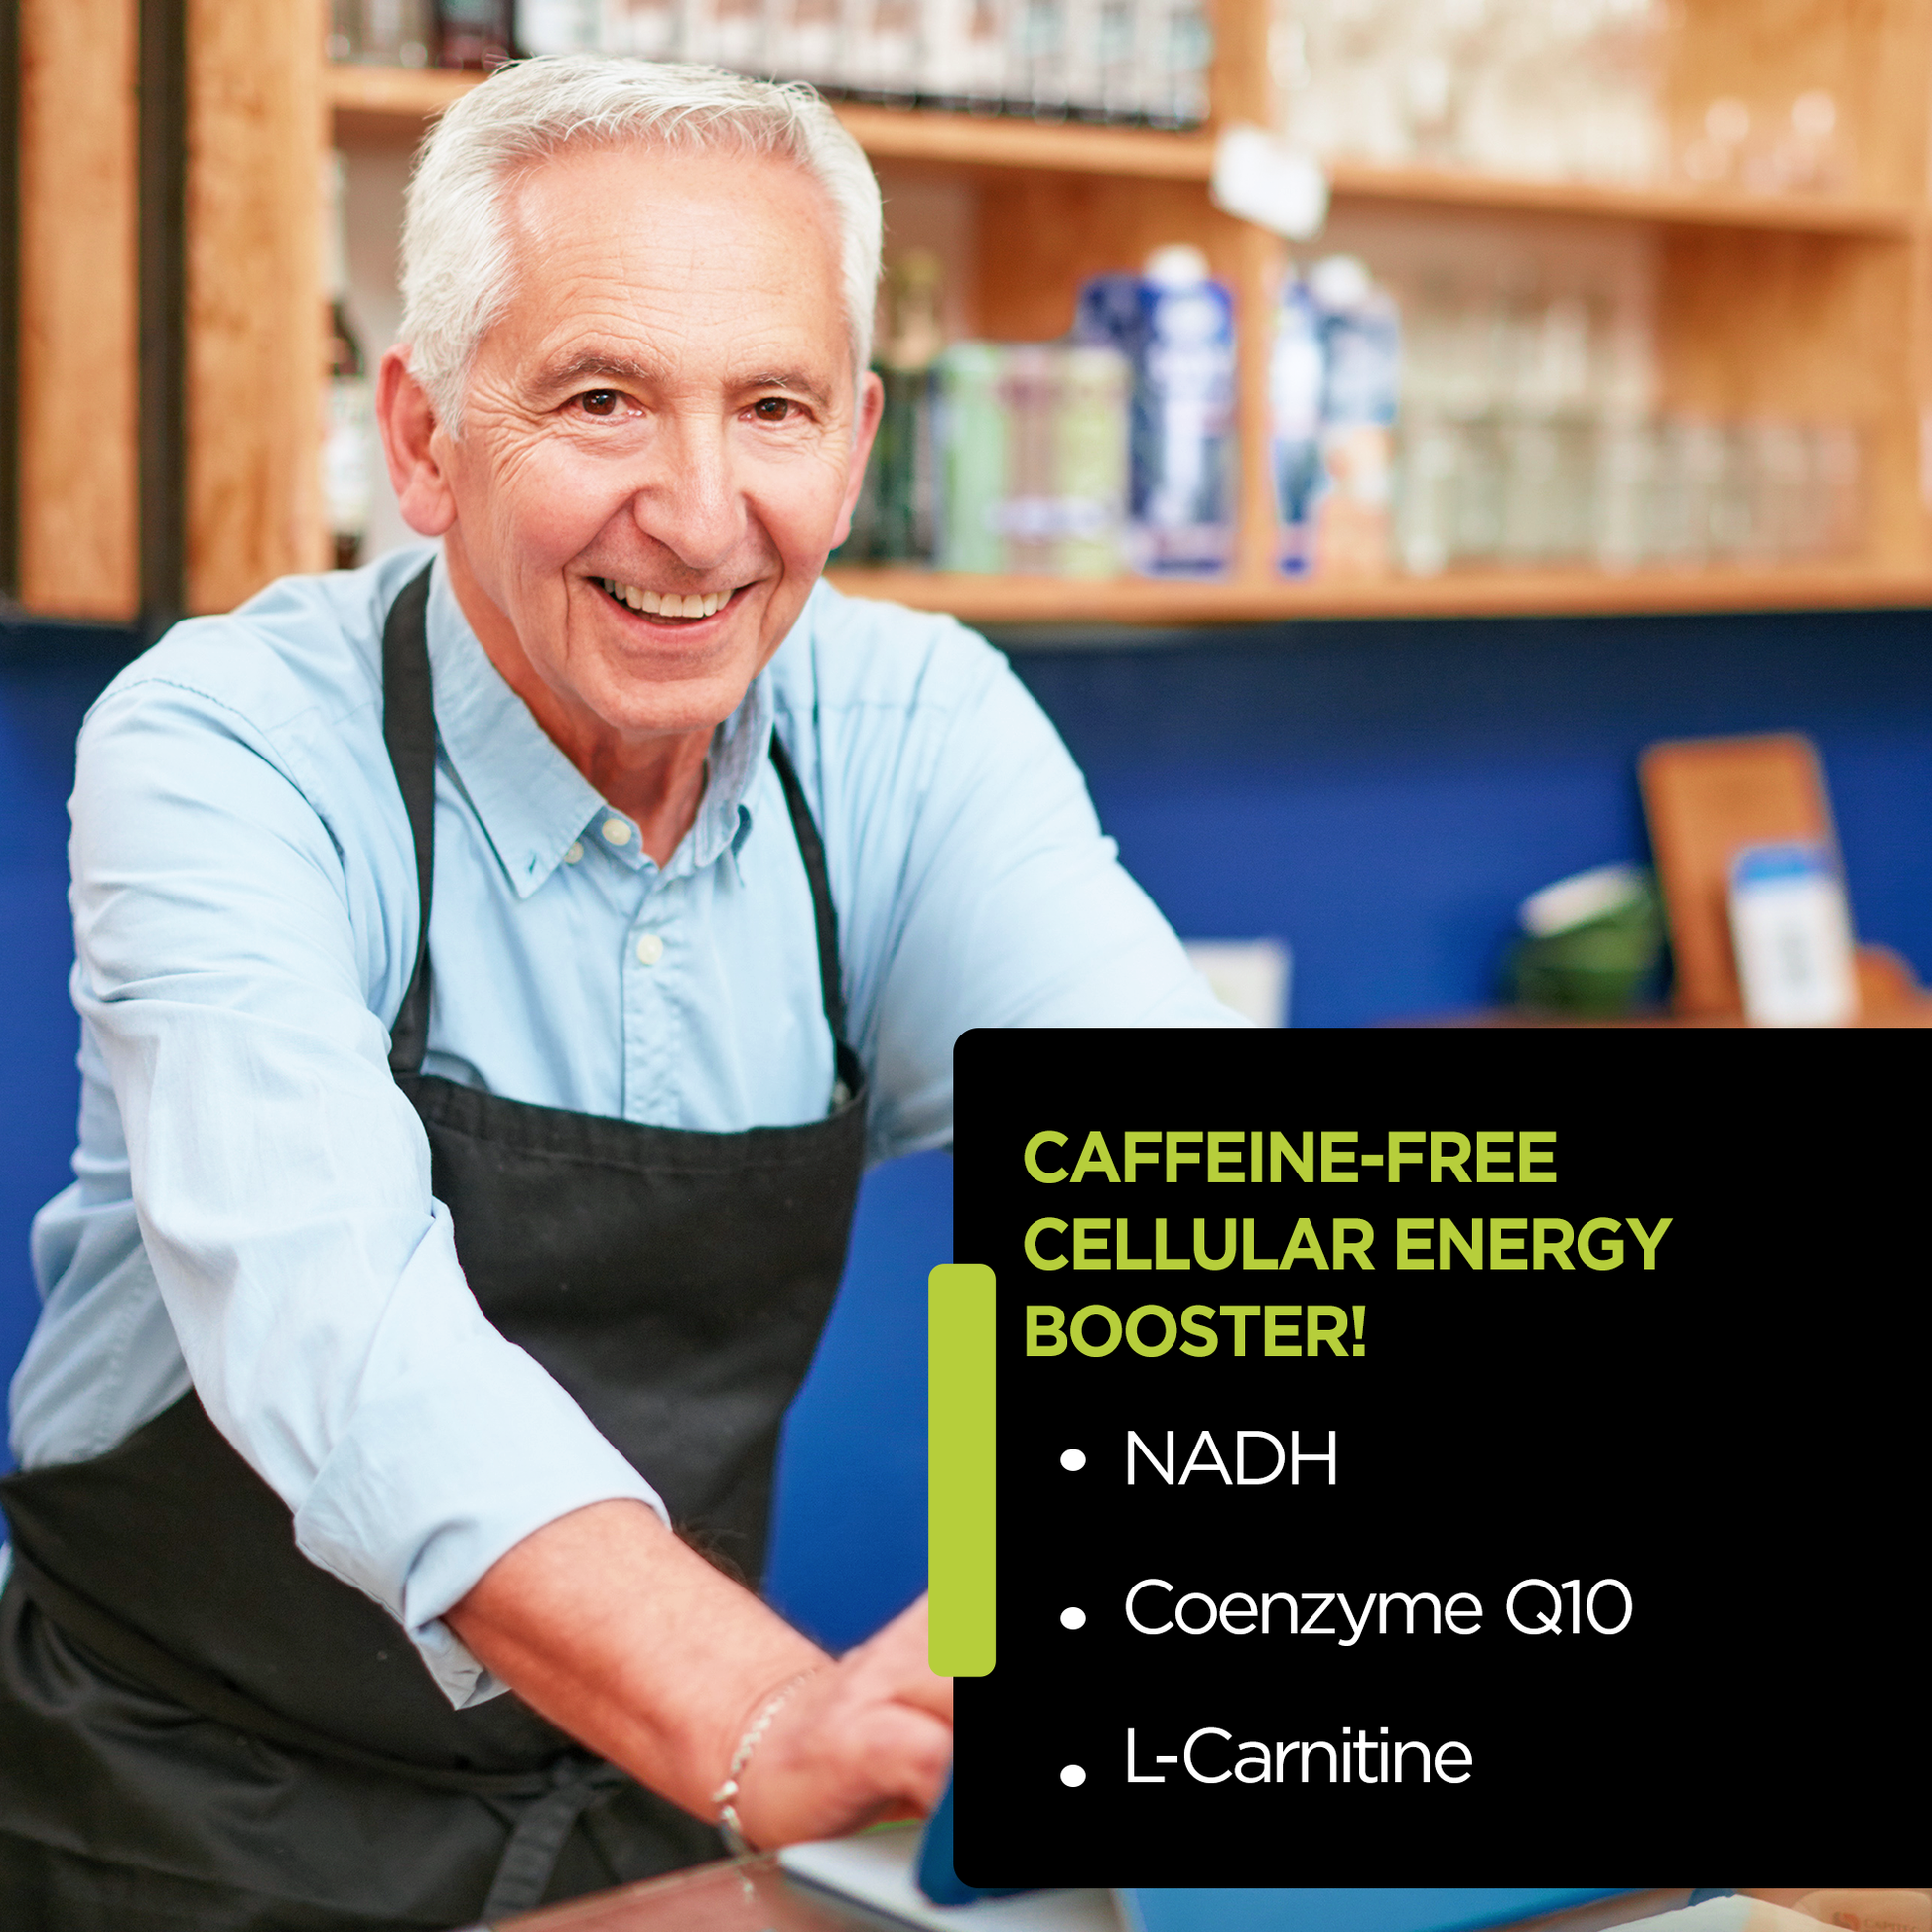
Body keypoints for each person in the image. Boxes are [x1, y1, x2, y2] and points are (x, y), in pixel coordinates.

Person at [0, 56, 1241, 1932]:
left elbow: (1187, 1196)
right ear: (421, 438)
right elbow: (345, 1338)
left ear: (857, 439)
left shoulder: (914, 728)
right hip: (194, 1812)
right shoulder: (229, 744)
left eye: (773, 408)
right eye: (600, 399)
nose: (699, 507)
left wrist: (1032, 1581)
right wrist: (760, 1710)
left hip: (652, 1818)